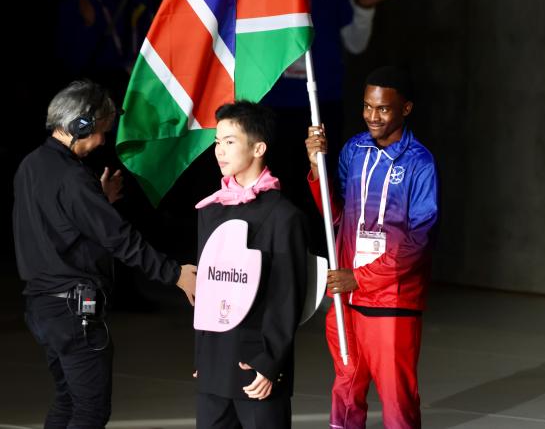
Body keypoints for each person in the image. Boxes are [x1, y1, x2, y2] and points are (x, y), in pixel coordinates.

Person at [12, 79, 197, 429]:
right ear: (80, 125)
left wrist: (97, 201)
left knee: (68, 401)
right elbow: (121, 240)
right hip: (72, 311)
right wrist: (176, 274)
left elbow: (57, 222)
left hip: (42, 308)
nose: (105, 137)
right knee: (90, 411)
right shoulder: (71, 177)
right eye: (102, 129)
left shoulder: (31, 165)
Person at [305, 65, 438, 429]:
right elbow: (338, 220)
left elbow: (418, 243)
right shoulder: (353, 150)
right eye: (367, 107)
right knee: (346, 392)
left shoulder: (420, 163)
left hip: (391, 302)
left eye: (382, 109)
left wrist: (358, 278)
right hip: (346, 300)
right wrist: (317, 172)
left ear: (405, 109)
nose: (372, 117)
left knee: (397, 400)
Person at [263, 0, 400, 233]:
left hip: (321, 103)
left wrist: (365, 6)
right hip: (273, 102)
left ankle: (323, 266)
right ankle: (279, 263)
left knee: (321, 185)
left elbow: (354, 42)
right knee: (277, 186)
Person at [194, 101, 309, 428]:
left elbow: (286, 295)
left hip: (257, 367)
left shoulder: (284, 216)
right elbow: (209, 288)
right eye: (217, 142)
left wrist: (271, 363)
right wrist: (202, 353)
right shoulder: (211, 210)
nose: (219, 151)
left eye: (230, 142)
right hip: (214, 363)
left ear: (258, 147)